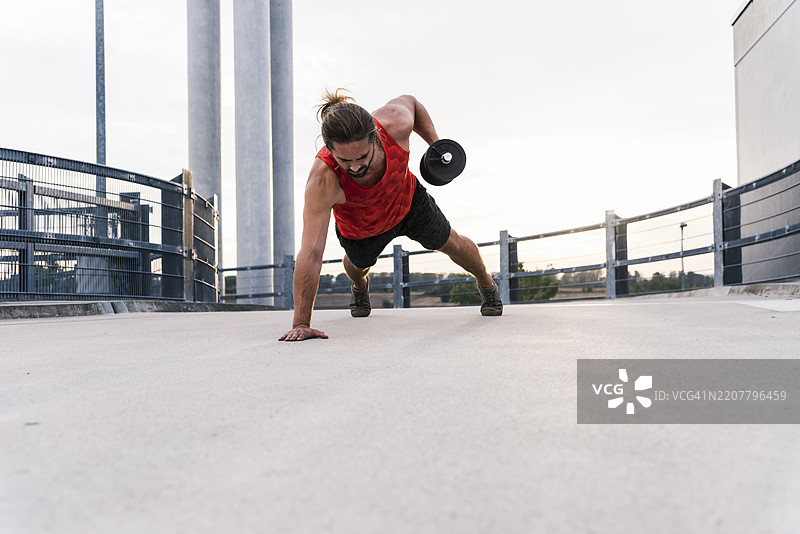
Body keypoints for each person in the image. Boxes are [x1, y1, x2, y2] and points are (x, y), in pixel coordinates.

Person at [279, 89, 502, 342]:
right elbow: (310, 254)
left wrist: (435, 146)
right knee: (356, 267)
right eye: (344, 160)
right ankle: (360, 287)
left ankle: (487, 285)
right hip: (361, 227)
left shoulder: (396, 121)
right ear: (329, 149)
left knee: (453, 243)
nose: (355, 166)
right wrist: (301, 322)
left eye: (362, 156)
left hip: (408, 203)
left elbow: (413, 104)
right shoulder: (322, 181)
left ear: (375, 136)